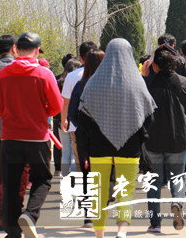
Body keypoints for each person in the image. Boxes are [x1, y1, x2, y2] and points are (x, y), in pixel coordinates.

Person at [76, 38, 156, 238]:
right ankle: (122, 230)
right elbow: (149, 114)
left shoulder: (94, 82)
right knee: (125, 190)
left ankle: (99, 233)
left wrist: (94, 134)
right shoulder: (137, 81)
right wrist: (138, 133)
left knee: (99, 190)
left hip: (98, 146)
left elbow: (83, 115)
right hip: (130, 145)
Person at [0, 32, 63, 238]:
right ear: (37, 51)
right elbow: (56, 107)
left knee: (11, 185)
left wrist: (10, 114)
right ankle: (30, 214)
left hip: (10, 137)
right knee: (42, 179)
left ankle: (13, 231)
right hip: (37, 137)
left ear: (16, 50)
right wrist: (40, 114)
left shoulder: (2, 75)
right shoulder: (44, 74)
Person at [143, 44, 186, 233]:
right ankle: (177, 203)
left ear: (155, 65)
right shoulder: (184, 83)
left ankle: (155, 222)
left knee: (154, 181)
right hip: (178, 138)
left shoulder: (148, 84)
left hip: (153, 139)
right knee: (177, 178)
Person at [0, 34, 29, 232]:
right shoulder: (27, 68)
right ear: (14, 49)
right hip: (21, 130)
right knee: (21, 171)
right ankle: (15, 214)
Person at [60, 41, 98, 176]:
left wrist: (63, 120)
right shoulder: (104, 74)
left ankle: (83, 185)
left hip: (77, 125)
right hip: (99, 126)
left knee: (80, 161)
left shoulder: (72, 76)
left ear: (80, 58)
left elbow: (65, 102)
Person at [58, 57, 83, 177]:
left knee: (65, 151)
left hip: (62, 118)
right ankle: (73, 174)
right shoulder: (79, 79)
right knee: (74, 153)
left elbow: (63, 102)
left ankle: (64, 175)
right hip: (75, 120)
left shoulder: (59, 81)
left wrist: (63, 119)